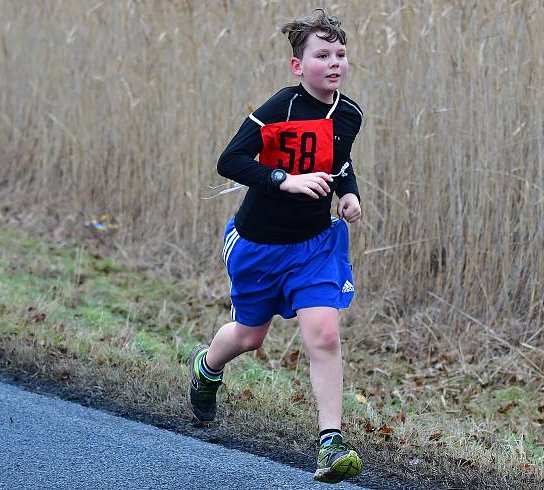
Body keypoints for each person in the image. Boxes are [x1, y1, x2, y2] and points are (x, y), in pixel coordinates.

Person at [187, 9, 365, 484]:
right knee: (249, 337)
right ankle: (206, 368)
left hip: (314, 246)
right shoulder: (279, 109)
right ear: (297, 65)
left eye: (341, 54)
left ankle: (331, 442)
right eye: (322, 54)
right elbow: (231, 160)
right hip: (259, 245)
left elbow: (340, 162)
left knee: (324, 334)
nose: (334, 63)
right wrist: (283, 180)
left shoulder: (349, 114)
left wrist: (349, 195)